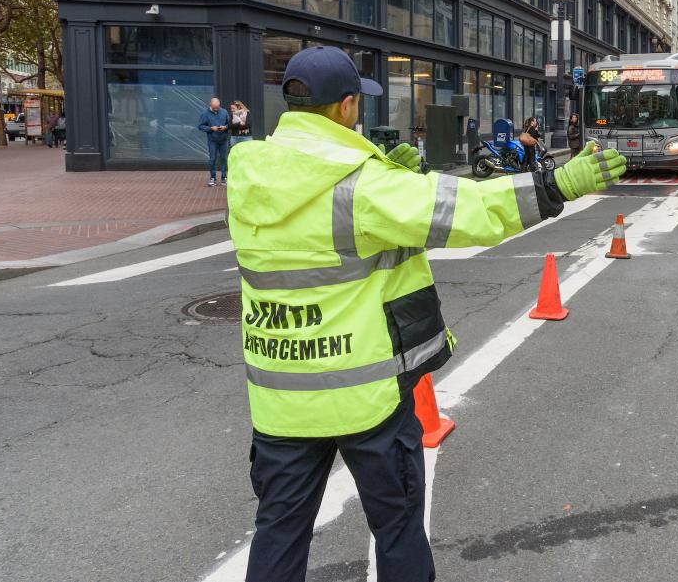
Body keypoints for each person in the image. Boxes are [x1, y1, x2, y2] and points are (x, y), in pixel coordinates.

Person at [226, 45, 625, 582]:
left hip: (278, 401)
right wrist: (556, 186)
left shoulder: (248, 176)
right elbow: (467, 212)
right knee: (396, 531)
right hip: (364, 401)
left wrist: (386, 174)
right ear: (347, 107)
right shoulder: (362, 187)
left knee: (279, 531)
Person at [198, 97, 231, 186]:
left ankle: (224, 178)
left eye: (217, 107)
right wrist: (211, 128)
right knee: (212, 159)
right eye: (214, 108)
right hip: (212, 140)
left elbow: (230, 123)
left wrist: (225, 127)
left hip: (223, 139)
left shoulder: (224, 112)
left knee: (224, 159)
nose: (216, 109)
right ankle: (213, 178)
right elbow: (200, 126)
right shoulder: (205, 113)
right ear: (210, 105)